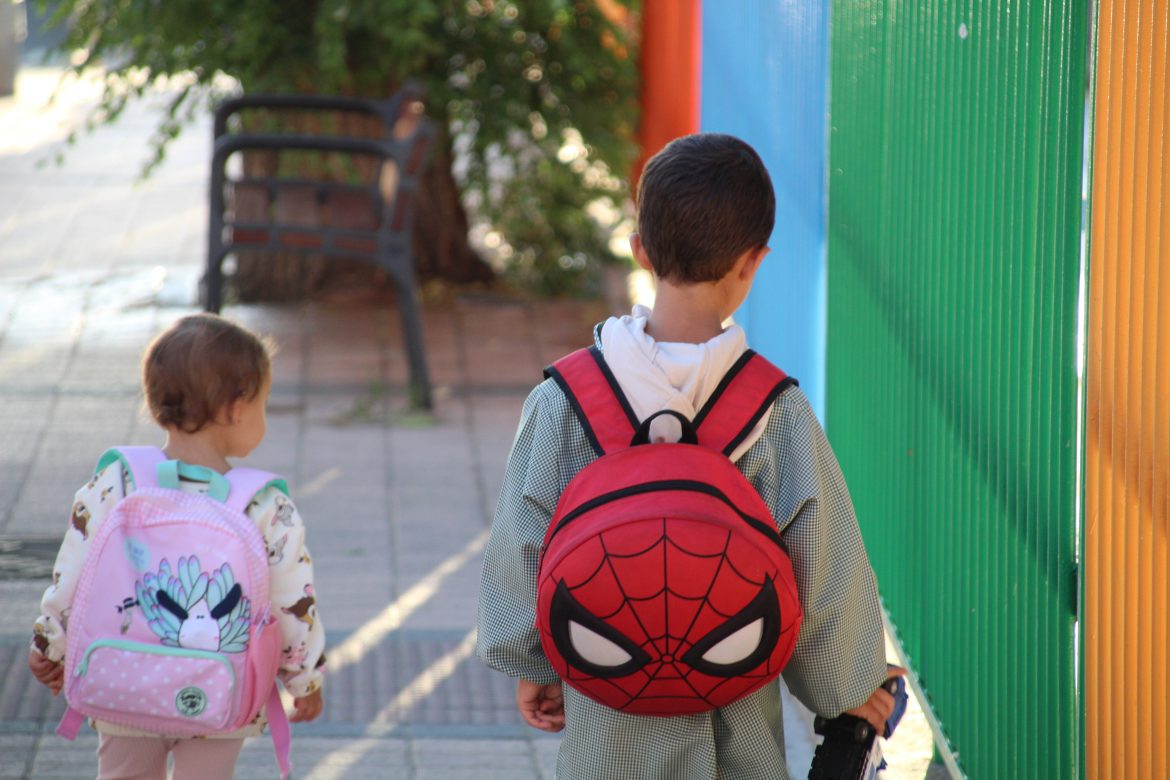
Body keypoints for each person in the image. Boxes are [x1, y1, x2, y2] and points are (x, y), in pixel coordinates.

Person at [477, 133, 901, 779]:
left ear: (639, 249)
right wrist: (848, 690)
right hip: (734, 716)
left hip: (609, 707)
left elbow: (522, 540)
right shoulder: (773, 410)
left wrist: (533, 662)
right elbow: (825, 570)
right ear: (752, 262)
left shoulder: (566, 400)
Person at [27, 313, 327, 780]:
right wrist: (304, 678)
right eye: (263, 403)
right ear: (235, 408)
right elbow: (293, 603)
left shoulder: (117, 480)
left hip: (121, 682)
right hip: (221, 691)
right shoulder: (266, 506)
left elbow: (75, 569)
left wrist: (51, 640)